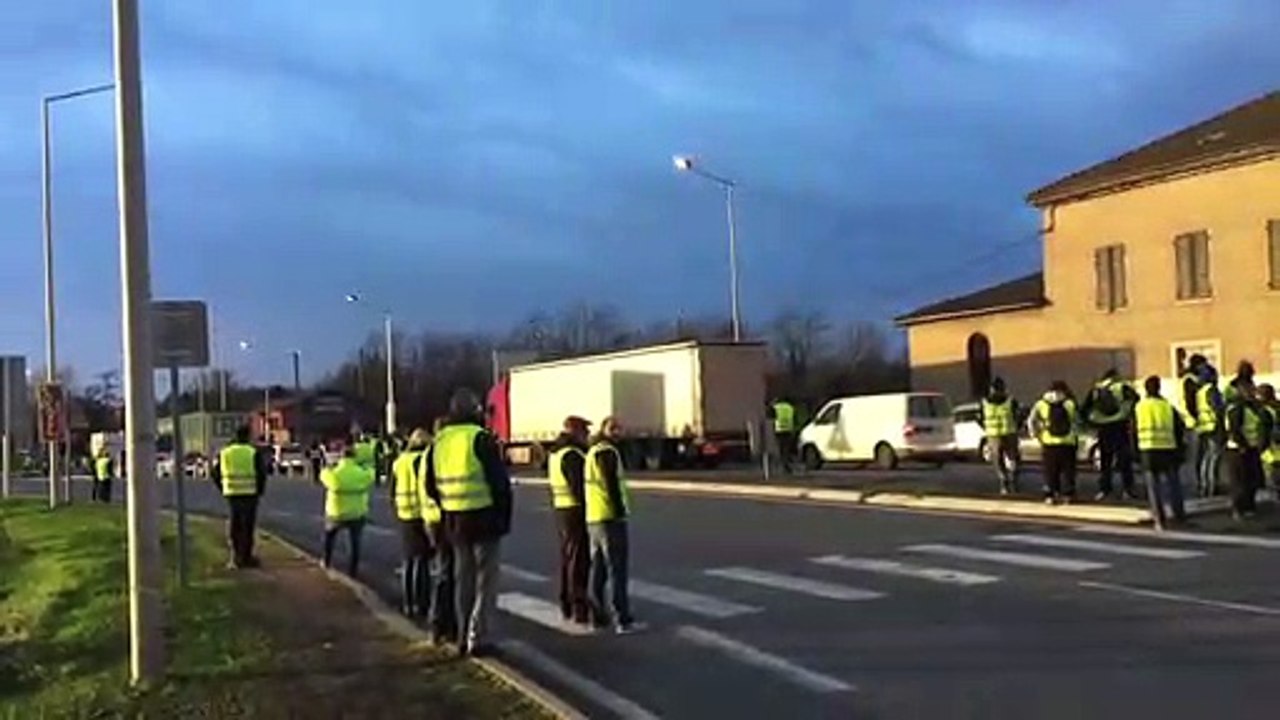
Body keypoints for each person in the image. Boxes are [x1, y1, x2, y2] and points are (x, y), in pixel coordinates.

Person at [423, 389, 512, 657]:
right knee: (486, 582)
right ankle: (478, 636)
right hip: (484, 518)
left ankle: (462, 634)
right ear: (475, 411)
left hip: (454, 520)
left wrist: (448, 504)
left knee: (464, 580)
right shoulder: (480, 438)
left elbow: (429, 485)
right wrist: (503, 517)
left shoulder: (439, 441)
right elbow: (499, 484)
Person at [586, 416, 636, 633]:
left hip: (594, 517)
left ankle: (598, 615)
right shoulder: (607, 452)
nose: (617, 432)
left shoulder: (592, 451)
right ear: (604, 430)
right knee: (617, 569)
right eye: (613, 428)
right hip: (609, 518)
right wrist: (619, 512)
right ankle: (621, 617)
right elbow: (611, 485)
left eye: (619, 428)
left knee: (598, 569)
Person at [548, 416, 591, 625]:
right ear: (576, 431)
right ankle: (579, 605)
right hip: (574, 511)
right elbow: (579, 488)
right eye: (585, 431)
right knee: (578, 560)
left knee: (568, 558)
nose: (587, 436)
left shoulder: (557, 452)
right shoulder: (573, 455)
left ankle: (566, 602)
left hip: (562, 509)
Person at [1133, 376, 1188, 530]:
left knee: (1153, 487)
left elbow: (1132, 431)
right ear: (1159, 388)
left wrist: (1134, 452)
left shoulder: (1139, 407)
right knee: (1173, 484)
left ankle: (1159, 519)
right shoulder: (1167, 406)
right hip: (1168, 449)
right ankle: (1179, 515)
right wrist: (1179, 449)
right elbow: (1179, 428)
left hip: (1147, 449)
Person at [391, 429, 433, 616]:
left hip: (404, 513)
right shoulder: (422, 460)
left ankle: (408, 603)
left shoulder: (400, 462)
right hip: (420, 513)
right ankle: (422, 602)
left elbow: (392, 490)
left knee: (408, 561)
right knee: (422, 562)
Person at [213, 426, 269, 569]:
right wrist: (260, 490)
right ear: (248, 436)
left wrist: (223, 487)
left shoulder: (225, 452)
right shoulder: (252, 452)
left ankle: (236, 555)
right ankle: (246, 557)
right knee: (247, 527)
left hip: (232, 493)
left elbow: (215, 473)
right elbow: (261, 473)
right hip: (249, 493)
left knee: (235, 524)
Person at [1081, 368, 1140, 501]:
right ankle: (1128, 489)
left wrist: (1093, 422)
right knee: (1125, 462)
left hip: (1103, 428)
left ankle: (1105, 489)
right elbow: (1137, 400)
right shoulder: (1123, 387)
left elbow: (1084, 409)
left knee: (1105, 462)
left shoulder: (1096, 389)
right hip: (1120, 426)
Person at [320, 442, 376, 577]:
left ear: (341, 456)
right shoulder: (361, 473)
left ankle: (326, 560)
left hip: (336, 511)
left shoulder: (335, 474)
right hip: (357, 511)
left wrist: (328, 467)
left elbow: (323, 475)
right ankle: (353, 569)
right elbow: (371, 475)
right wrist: (367, 465)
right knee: (354, 542)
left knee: (329, 536)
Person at [1222, 377, 1271, 520]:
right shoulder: (1236, 408)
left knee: (1251, 480)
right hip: (1238, 449)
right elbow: (1234, 429)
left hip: (1252, 447)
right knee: (1239, 481)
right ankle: (1238, 509)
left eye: (1252, 389)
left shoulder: (1254, 407)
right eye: (1249, 390)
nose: (1252, 392)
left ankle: (1249, 507)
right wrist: (1243, 445)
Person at [1030, 381, 1078, 505]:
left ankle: (1050, 494)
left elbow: (1031, 420)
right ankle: (1068, 495)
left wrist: (1036, 435)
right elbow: (1076, 421)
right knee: (1068, 471)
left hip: (1048, 442)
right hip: (1068, 442)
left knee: (1050, 471)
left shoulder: (1041, 403)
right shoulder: (1070, 403)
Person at [980, 377, 1020, 494]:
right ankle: (1007, 480)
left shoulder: (1009, 401)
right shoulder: (1009, 401)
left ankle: (1008, 480)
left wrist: (986, 428)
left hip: (1001, 434)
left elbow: (980, 417)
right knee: (1004, 459)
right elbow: (980, 417)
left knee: (1005, 459)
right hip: (1002, 434)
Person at [1258, 384, 1280, 490]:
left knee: (1274, 480)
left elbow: (1264, 433)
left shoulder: (1266, 411)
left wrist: (1260, 448)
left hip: (1273, 450)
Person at [769, 398, 798, 473]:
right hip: (788, 429)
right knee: (786, 449)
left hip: (779, 430)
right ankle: (786, 465)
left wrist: (771, 404)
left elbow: (771, 416)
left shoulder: (776, 407)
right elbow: (794, 418)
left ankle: (784, 465)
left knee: (781, 449)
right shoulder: (790, 407)